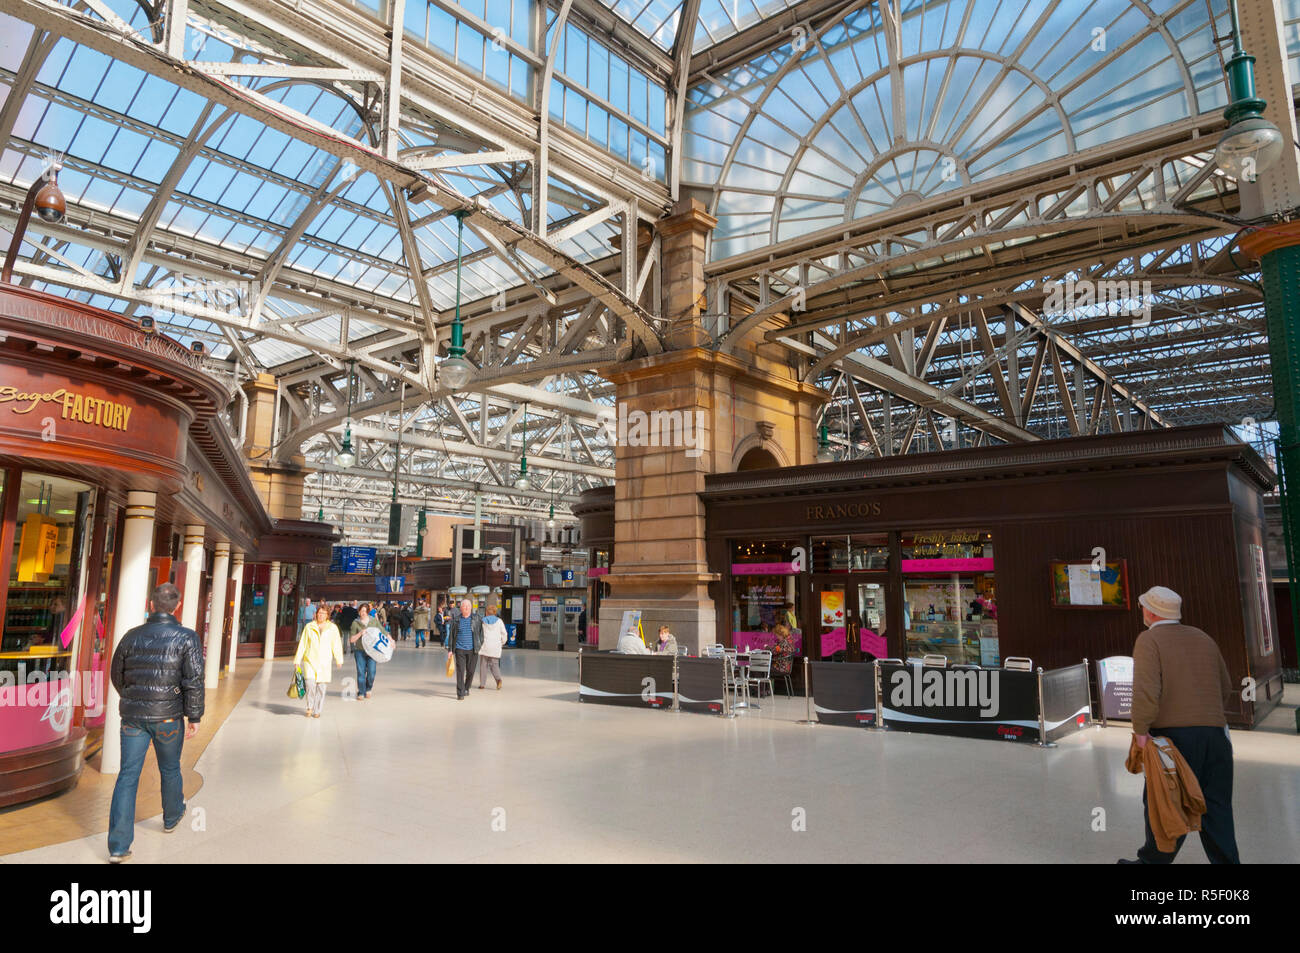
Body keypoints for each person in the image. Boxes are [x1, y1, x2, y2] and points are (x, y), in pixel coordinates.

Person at [1119, 586, 1239, 865]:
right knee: (1217, 807)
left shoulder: (1150, 640)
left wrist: (1140, 731)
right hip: (1216, 736)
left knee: (1164, 802)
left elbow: (1146, 690)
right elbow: (1226, 686)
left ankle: (1151, 862)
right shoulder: (1203, 638)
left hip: (1173, 740)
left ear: (1150, 611)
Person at [107, 583, 203, 863]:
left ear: (150, 605)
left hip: (133, 718)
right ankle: (172, 817)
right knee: (170, 768)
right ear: (176, 607)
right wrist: (194, 715)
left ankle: (118, 847)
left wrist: (133, 697)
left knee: (127, 776)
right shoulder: (187, 638)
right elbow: (193, 680)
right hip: (169, 716)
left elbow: (117, 674)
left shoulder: (130, 637)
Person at [293, 604, 343, 718]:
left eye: (323, 613)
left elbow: (336, 644)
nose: (321, 615)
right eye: (319, 613)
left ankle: (317, 710)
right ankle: (310, 707)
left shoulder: (332, 628)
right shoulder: (309, 627)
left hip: (324, 661)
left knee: (321, 687)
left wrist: (338, 659)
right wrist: (297, 659)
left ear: (327, 615)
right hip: (310, 660)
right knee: (310, 684)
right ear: (315, 614)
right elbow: (303, 643)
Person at [449, 598, 483, 699]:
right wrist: (450, 650)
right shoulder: (456, 620)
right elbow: (451, 635)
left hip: (473, 650)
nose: (466, 608)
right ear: (461, 608)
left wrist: (479, 644)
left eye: (468, 606)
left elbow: (481, 634)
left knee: (471, 671)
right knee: (460, 671)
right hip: (460, 649)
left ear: (471, 607)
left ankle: (467, 687)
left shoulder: (477, 618)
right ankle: (460, 693)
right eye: (464, 606)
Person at [349, 604, 378, 700]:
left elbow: (382, 632)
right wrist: (360, 633)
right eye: (361, 611)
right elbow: (352, 640)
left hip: (372, 651)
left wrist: (390, 640)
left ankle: (368, 688)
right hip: (359, 651)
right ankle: (361, 691)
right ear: (359, 612)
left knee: (372, 672)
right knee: (361, 672)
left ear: (368, 612)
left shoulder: (373, 621)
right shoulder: (355, 623)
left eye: (365, 611)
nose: (363, 613)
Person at [478, 601, 507, 690]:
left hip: (485, 646)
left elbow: (479, 634)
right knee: (494, 665)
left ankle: (482, 684)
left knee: (483, 665)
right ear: (495, 612)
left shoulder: (482, 621)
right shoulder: (499, 621)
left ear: (486, 612)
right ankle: (498, 680)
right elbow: (504, 634)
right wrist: (502, 643)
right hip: (495, 647)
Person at [771, 622, 796, 689]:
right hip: (786, 667)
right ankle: (766, 690)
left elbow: (774, 652)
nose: (776, 637)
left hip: (780, 667)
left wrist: (768, 648)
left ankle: (763, 690)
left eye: (777, 635)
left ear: (781, 634)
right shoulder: (790, 640)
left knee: (762, 669)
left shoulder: (784, 642)